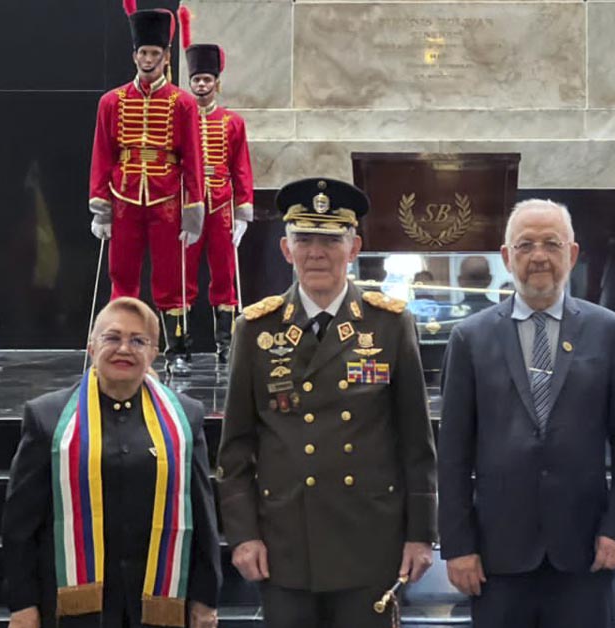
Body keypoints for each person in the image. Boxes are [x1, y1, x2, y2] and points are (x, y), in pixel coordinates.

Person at [216, 178, 437, 627]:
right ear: (285, 249)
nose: (316, 252)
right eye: (304, 239)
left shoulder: (389, 325)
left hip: (369, 541)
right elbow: (236, 447)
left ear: (353, 248)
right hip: (285, 544)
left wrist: (420, 536)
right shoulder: (257, 329)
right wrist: (242, 536)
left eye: (330, 240)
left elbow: (417, 441)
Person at [438, 199, 615, 627]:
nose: (538, 257)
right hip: (498, 556)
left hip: (585, 552)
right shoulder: (469, 338)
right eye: (525, 245)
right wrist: (457, 545)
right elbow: (453, 453)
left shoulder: (609, 331)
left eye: (551, 244)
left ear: (571, 254)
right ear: (505, 257)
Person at [2, 297, 220, 628]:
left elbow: (202, 515)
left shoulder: (185, 418)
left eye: (138, 341)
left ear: (154, 353)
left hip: (158, 605)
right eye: (112, 337)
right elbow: (20, 524)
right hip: (73, 606)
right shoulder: (47, 418)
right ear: (91, 347)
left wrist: (206, 599)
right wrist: (22, 603)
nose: (124, 349)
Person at [89, 1, 205, 376]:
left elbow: (193, 159)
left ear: (165, 55)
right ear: (134, 54)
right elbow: (103, 155)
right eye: (143, 52)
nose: (148, 59)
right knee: (121, 275)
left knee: (170, 278)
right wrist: (101, 208)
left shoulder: (183, 103)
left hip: (167, 196)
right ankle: (118, 341)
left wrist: (194, 210)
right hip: (124, 197)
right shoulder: (112, 101)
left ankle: (178, 347)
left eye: (155, 53)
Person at [182, 26, 255, 364]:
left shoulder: (232, 122)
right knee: (183, 274)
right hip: (188, 204)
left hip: (222, 205)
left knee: (224, 276)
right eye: (196, 80)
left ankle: (226, 344)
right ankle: (180, 344)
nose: (201, 85)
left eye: (206, 80)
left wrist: (243, 213)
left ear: (216, 83)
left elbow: (241, 168)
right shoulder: (178, 120)